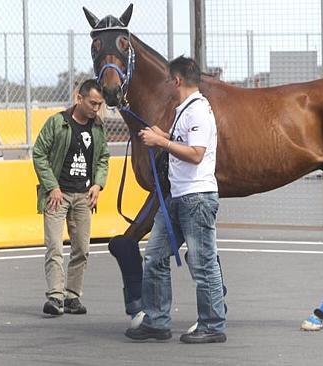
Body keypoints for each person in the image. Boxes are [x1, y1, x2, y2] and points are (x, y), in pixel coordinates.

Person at [125, 56, 226, 343]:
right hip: (177, 196)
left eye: (170, 80)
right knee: (155, 256)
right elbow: (183, 142)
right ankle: (157, 321)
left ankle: (213, 324)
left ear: (177, 80)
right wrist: (165, 134)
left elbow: (196, 154)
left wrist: (162, 143)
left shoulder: (198, 111)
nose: (169, 85)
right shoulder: (185, 110)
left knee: (203, 262)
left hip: (196, 198)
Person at [33, 79, 110, 315]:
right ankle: (55, 297)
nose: (96, 109)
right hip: (58, 196)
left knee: (81, 249)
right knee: (55, 246)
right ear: (79, 98)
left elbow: (103, 158)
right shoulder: (58, 123)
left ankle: (72, 296)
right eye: (92, 103)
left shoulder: (97, 127)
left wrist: (98, 184)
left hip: (83, 197)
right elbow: (39, 154)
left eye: (99, 104)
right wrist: (52, 187)